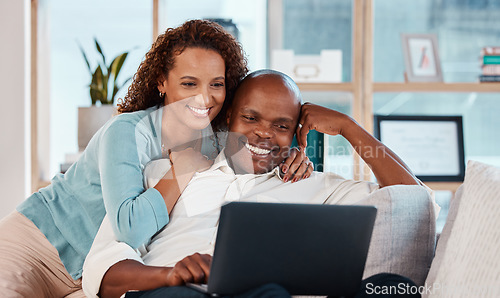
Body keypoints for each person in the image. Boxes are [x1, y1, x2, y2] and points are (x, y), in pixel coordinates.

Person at [0, 21, 311, 298]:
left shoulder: (214, 137)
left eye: (216, 84)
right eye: (189, 83)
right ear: (162, 82)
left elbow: (258, 150)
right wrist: (182, 170)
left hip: (90, 273)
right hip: (36, 248)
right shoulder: (127, 132)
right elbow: (130, 230)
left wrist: (293, 155)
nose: (205, 98)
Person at [82, 70, 427, 298]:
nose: (264, 133)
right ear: (229, 114)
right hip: (174, 291)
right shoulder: (166, 172)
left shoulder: (316, 185)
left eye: (281, 125)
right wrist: (170, 274)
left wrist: (350, 128)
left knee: (394, 288)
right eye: (251, 118)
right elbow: (103, 269)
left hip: (265, 293)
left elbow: (413, 200)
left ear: (296, 132)